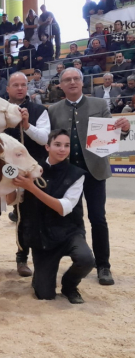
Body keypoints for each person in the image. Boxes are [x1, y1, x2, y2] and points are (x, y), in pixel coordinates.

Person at [48, 67, 131, 286]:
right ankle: (80, 261)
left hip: (95, 170)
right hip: (67, 175)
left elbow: (114, 132)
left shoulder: (99, 104)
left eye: (76, 78)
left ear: (82, 82)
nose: (72, 82)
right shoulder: (53, 110)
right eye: (68, 80)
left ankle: (103, 265)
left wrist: (123, 129)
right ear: (61, 85)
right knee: (71, 219)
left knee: (98, 218)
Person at [0, 72, 50, 275]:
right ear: (8, 89)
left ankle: (22, 259)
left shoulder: (39, 110)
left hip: (27, 172)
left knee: (26, 217)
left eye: (23, 84)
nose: (20, 88)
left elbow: (44, 139)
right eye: (15, 85)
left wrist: (27, 126)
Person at [12, 129, 94, 303]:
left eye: (66, 146)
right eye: (57, 145)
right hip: (42, 237)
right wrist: (10, 183)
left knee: (86, 260)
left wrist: (31, 187)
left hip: (69, 232)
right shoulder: (32, 170)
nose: (62, 149)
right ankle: (42, 281)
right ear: (47, 147)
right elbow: (14, 200)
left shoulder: (77, 174)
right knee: (44, 294)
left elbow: (63, 208)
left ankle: (69, 285)